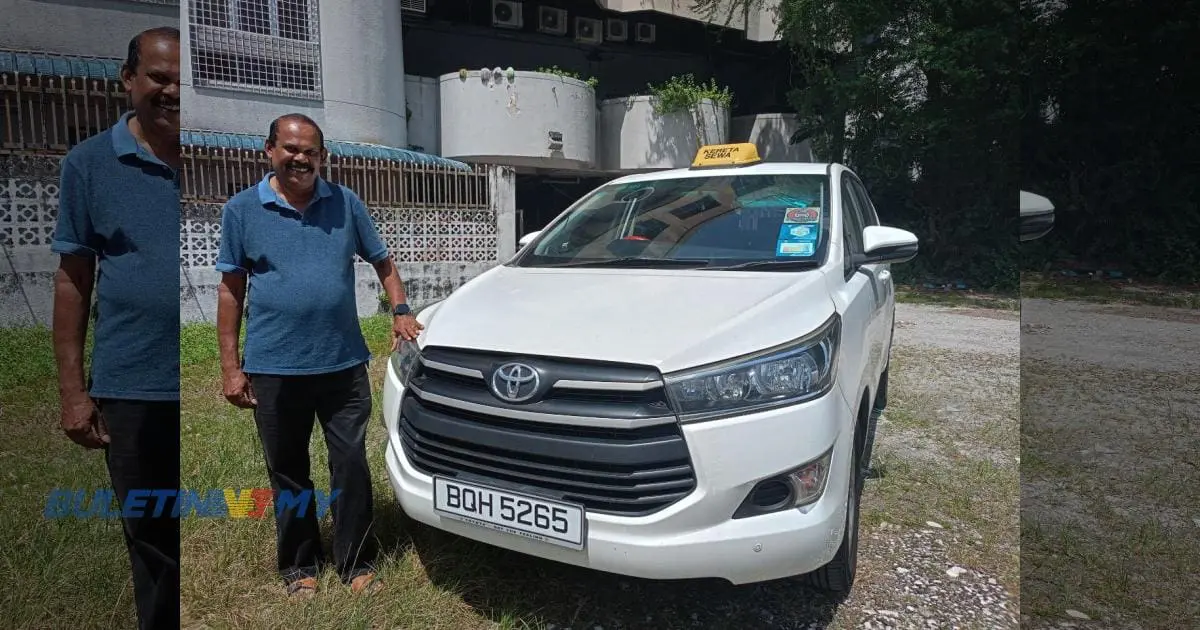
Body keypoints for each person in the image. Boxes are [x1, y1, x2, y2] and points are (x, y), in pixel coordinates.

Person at [214, 113, 422, 597]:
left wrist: (401, 310)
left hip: (342, 365)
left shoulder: (345, 203)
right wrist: (230, 366)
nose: (300, 158)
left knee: (349, 464)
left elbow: (383, 261)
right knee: (288, 469)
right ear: (269, 150)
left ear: (322, 156)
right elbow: (230, 290)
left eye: (310, 151)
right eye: (290, 148)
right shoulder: (243, 210)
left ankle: (355, 561)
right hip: (273, 367)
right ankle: (299, 564)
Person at [50, 26, 181, 630]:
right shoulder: (89, 165)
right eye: (159, 76)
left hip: (207, 383)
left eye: (184, 78)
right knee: (150, 532)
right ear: (129, 80)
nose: (172, 89)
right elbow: (73, 280)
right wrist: (75, 392)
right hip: (132, 383)